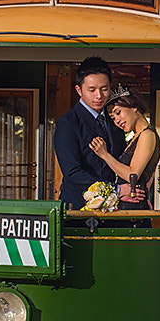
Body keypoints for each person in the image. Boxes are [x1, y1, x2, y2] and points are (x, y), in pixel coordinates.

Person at [53, 57, 126, 210]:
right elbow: (72, 173)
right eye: (92, 90)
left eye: (104, 89)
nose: (99, 95)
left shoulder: (116, 120)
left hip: (114, 211)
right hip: (78, 208)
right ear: (79, 90)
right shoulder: (67, 123)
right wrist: (116, 189)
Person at [90, 87, 160, 215]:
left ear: (134, 106)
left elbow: (132, 174)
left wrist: (104, 155)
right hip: (129, 204)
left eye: (118, 113)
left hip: (134, 208)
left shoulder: (147, 135)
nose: (117, 120)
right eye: (112, 118)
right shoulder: (135, 137)